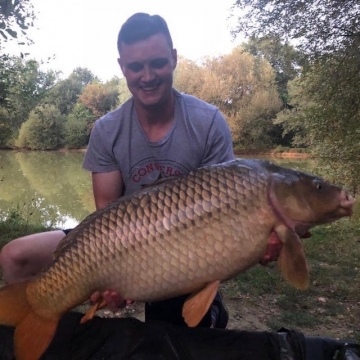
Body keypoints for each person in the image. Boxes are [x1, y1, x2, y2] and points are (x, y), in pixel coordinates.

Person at [0, 13, 235, 328]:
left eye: (158, 63)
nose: (147, 76)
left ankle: (206, 312)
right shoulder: (107, 129)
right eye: (136, 66)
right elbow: (106, 214)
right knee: (15, 256)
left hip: (185, 246)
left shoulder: (207, 122)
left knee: (172, 329)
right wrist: (113, 276)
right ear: (123, 66)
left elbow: (227, 211)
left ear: (175, 59)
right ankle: (46, 326)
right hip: (118, 240)